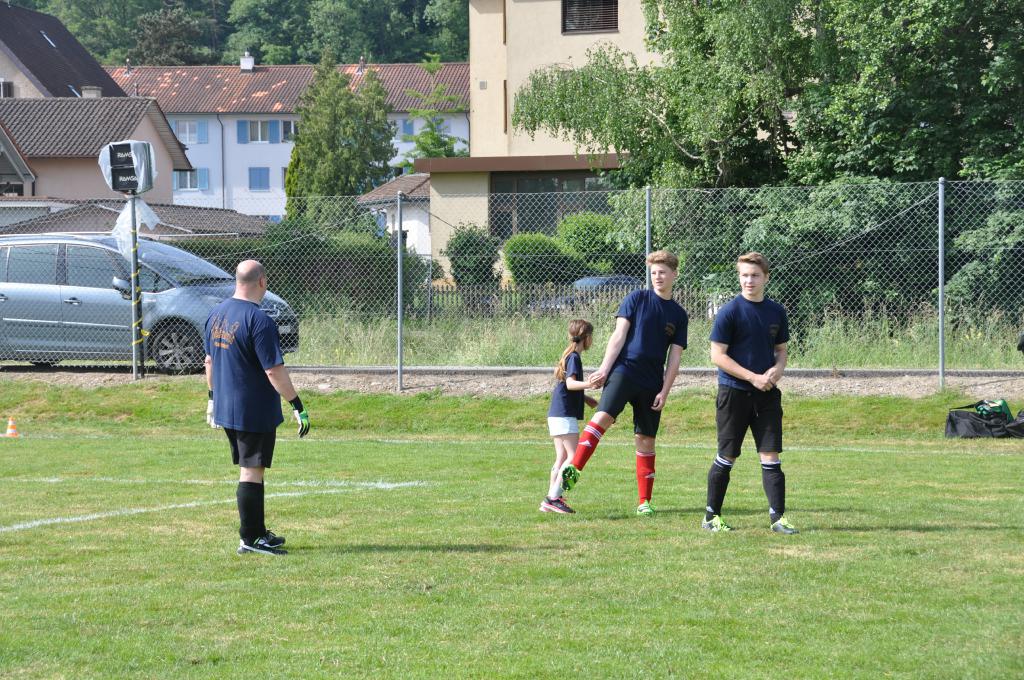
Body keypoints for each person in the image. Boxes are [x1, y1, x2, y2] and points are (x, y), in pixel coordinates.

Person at [559, 250, 688, 516]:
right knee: (602, 417)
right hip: (624, 371)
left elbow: (674, 358)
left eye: (663, 272)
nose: (658, 277)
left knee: (645, 439)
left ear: (674, 274)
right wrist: (605, 369)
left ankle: (644, 502)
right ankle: (575, 468)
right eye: (654, 272)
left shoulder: (678, 315)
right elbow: (618, 337)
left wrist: (665, 391)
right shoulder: (636, 298)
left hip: (652, 382)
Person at [205, 260, 311, 556]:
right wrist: (297, 405)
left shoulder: (216, 314)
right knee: (252, 471)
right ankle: (250, 539)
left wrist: (212, 398)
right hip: (252, 408)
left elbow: (209, 361)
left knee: (251, 469)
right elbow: (273, 370)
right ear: (262, 282)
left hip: (226, 406)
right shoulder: (259, 320)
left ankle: (258, 532)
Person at [702, 252, 797, 534]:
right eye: (744, 275)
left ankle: (778, 519)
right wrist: (753, 377)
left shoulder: (776, 312)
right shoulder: (729, 312)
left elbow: (781, 350)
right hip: (734, 393)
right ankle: (711, 517)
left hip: (766, 394)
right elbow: (717, 356)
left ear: (766, 277)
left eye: (755, 275)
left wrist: (777, 370)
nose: (749, 280)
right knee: (727, 455)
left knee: (771, 456)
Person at [540, 319, 598, 514]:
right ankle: (553, 498)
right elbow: (571, 384)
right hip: (564, 415)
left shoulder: (569, 355)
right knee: (574, 457)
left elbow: (566, 388)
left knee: (562, 457)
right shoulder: (574, 357)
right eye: (591, 337)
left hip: (556, 413)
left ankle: (549, 499)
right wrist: (591, 384)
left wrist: (587, 399)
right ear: (586, 338)